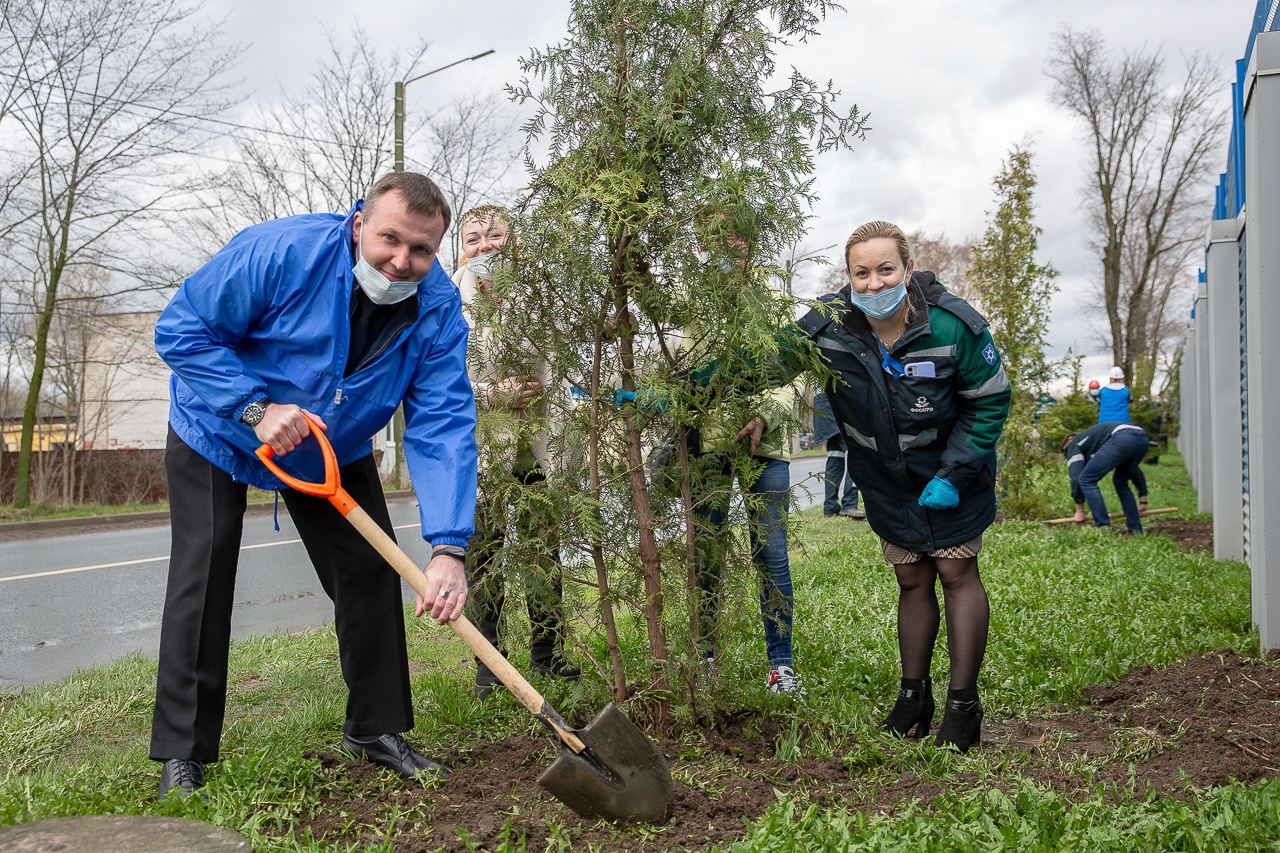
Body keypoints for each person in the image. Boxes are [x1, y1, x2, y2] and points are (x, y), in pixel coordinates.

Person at [151, 172, 477, 800]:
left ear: (439, 250)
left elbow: (442, 426)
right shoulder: (282, 252)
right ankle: (183, 755)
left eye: (421, 251)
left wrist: (448, 546)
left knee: (368, 570)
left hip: (332, 440)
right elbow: (180, 327)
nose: (401, 261)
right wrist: (254, 408)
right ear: (360, 224)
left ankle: (376, 730)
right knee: (204, 572)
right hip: (218, 425)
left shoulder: (436, 311)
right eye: (389, 240)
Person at [690, 220, 1010, 750]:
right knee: (911, 580)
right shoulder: (829, 325)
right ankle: (914, 699)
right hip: (885, 480)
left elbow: (990, 400)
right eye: (861, 273)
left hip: (952, 471)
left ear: (907, 270)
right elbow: (765, 363)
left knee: (955, 571)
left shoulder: (954, 326)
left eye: (886, 269)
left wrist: (955, 473)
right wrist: (682, 388)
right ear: (849, 277)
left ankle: (963, 706)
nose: (874, 283)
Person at [452, 205, 580, 699]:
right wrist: (491, 392)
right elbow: (439, 378)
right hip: (484, 450)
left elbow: (562, 363)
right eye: (474, 237)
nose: (485, 246)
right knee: (484, 559)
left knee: (543, 556)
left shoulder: (538, 299)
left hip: (538, 449)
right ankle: (490, 668)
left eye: (496, 235)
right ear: (462, 247)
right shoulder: (446, 299)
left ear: (516, 244)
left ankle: (547, 656)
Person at [1063, 422, 1151, 534]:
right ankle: (1135, 530)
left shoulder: (1073, 445)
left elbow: (1076, 478)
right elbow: (1135, 472)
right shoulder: (1095, 440)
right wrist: (1143, 501)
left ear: (1066, 445)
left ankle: (1103, 526)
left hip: (1122, 436)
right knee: (1121, 482)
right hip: (1142, 438)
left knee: (1086, 479)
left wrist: (1080, 510)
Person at [812, 389, 863, 518]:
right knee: (857, 455)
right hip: (839, 411)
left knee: (835, 456)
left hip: (825, 415)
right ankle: (850, 504)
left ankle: (830, 506)